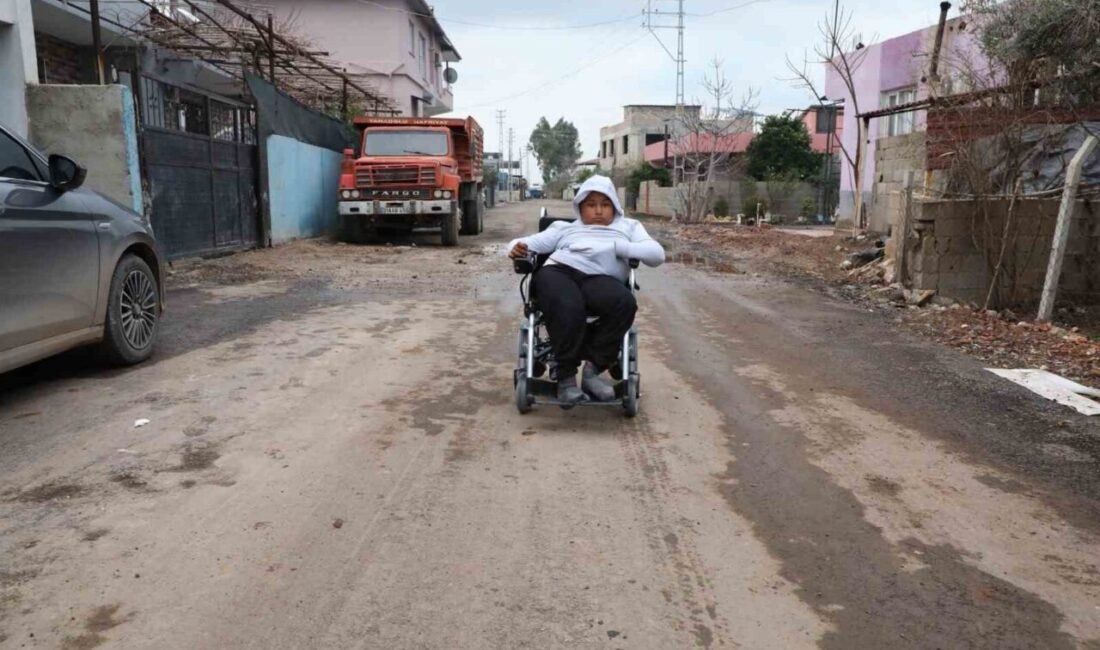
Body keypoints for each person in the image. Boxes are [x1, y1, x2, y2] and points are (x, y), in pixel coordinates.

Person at [508, 175, 665, 405]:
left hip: (600, 279)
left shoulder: (629, 227)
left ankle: (592, 373)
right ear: (580, 207)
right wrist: (515, 248)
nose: (598, 211)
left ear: (615, 205)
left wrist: (620, 247)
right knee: (569, 305)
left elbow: (657, 255)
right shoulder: (564, 228)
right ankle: (566, 380)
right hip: (560, 272)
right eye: (591, 205)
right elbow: (525, 242)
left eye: (605, 204)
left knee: (624, 303)